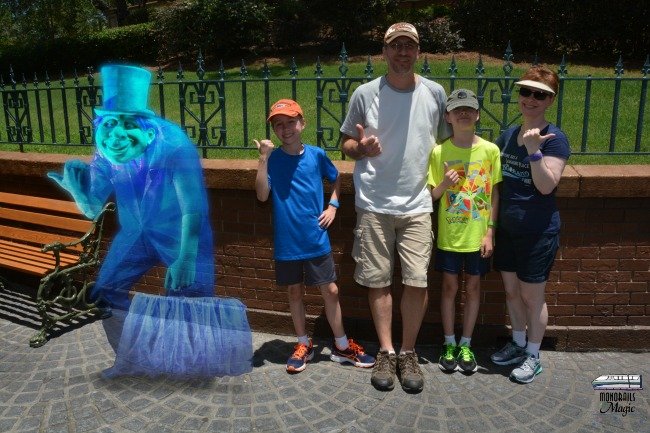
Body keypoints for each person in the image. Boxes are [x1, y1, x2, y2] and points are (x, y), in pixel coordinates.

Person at [49, 65, 253, 378]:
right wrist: (79, 193)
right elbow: (93, 209)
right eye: (107, 123)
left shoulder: (174, 146)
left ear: (147, 128)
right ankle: (133, 358)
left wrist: (185, 257)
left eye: (125, 124)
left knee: (187, 301)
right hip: (136, 231)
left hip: (179, 232)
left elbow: (193, 206)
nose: (114, 134)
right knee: (105, 292)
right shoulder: (107, 151)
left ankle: (185, 366)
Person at [340, 22, 451, 393]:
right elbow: (345, 144)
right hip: (373, 201)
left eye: (409, 46)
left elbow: (445, 145)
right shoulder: (365, 93)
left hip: (418, 202)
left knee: (417, 280)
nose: (403, 52)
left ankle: (408, 352)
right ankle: (386, 351)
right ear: (384, 51)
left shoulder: (436, 93)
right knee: (379, 280)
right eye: (396, 46)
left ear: (418, 52)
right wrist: (362, 149)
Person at [254, 99, 375, 374]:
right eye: (279, 125)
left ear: (302, 123)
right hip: (287, 240)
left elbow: (336, 178)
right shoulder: (271, 160)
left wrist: (333, 205)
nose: (286, 129)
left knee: (330, 290)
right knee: (294, 291)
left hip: (315, 236)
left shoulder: (317, 155)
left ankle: (342, 345)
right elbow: (262, 195)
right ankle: (302, 343)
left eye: (291, 122)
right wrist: (262, 158)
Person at [490, 65, 571, 383]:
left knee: (532, 297)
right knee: (511, 292)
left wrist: (535, 152)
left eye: (540, 94)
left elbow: (547, 186)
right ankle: (518, 343)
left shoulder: (555, 140)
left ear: (550, 100)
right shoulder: (507, 136)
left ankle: (534, 355)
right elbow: (496, 183)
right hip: (508, 229)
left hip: (537, 231)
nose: (531, 99)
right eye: (526, 91)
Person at [427, 89, 502, 374]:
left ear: (478, 114)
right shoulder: (439, 151)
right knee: (448, 287)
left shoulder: (490, 150)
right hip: (451, 235)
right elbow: (432, 196)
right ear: (448, 116)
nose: (463, 114)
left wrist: (490, 232)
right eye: (458, 110)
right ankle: (449, 342)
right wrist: (445, 184)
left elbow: (494, 194)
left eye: (469, 109)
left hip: (478, 235)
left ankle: (466, 343)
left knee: (473, 287)